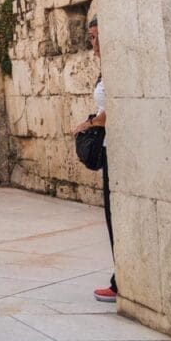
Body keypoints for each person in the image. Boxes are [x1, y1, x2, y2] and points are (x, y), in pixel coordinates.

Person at [72, 16, 116, 302]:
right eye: (91, 37)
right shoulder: (105, 68)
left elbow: (117, 107)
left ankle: (120, 282)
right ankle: (120, 278)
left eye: (99, 36)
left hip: (118, 147)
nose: (95, 43)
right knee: (111, 216)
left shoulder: (117, 66)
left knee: (115, 216)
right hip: (110, 146)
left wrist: (90, 124)